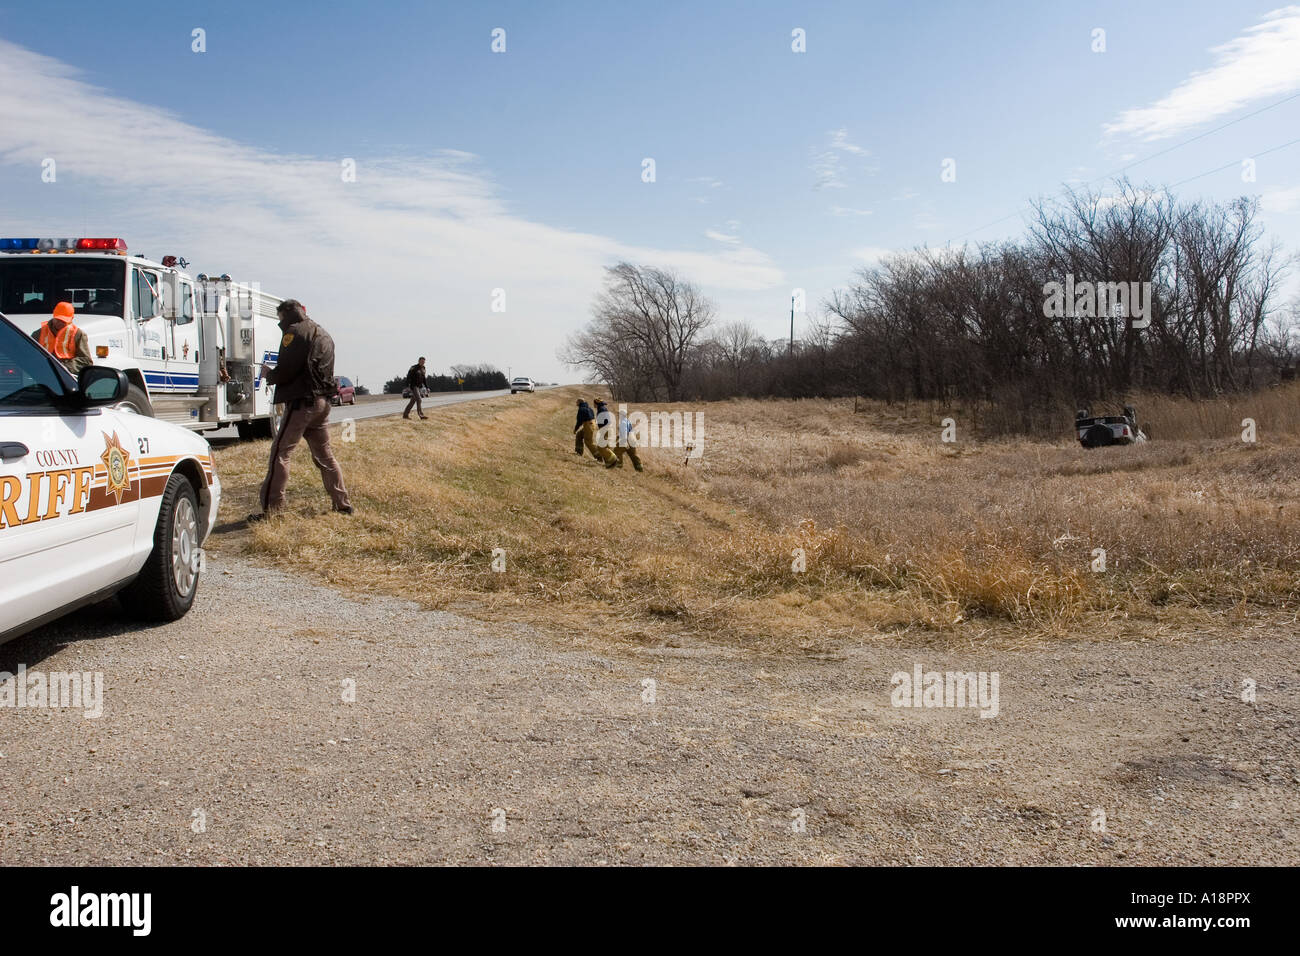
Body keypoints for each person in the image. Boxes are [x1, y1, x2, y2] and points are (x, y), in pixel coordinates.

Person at [249, 299, 353, 520]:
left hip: (301, 403)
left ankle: (272, 511)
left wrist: (270, 375)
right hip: (322, 403)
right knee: (325, 456)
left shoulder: (294, 332)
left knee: (280, 453)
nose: (280, 323)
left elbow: (287, 369)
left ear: (286, 314)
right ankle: (342, 504)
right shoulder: (324, 333)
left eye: (279, 318)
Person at [32, 301, 92, 375]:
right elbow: (29, 356)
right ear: (53, 316)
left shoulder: (78, 334)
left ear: (71, 319)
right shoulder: (38, 334)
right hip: (43, 373)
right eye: (57, 319)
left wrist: (65, 367)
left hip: (66, 375)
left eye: (63, 321)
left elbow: (86, 361)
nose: (59, 322)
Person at [574, 398, 616, 467]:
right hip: (603, 427)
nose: (593, 404)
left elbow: (579, 421)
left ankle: (608, 459)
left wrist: (576, 429)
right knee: (580, 435)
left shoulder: (600, 410)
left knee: (591, 443)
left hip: (603, 428)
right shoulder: (599, 408)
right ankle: (608, 461)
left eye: (594, 403)